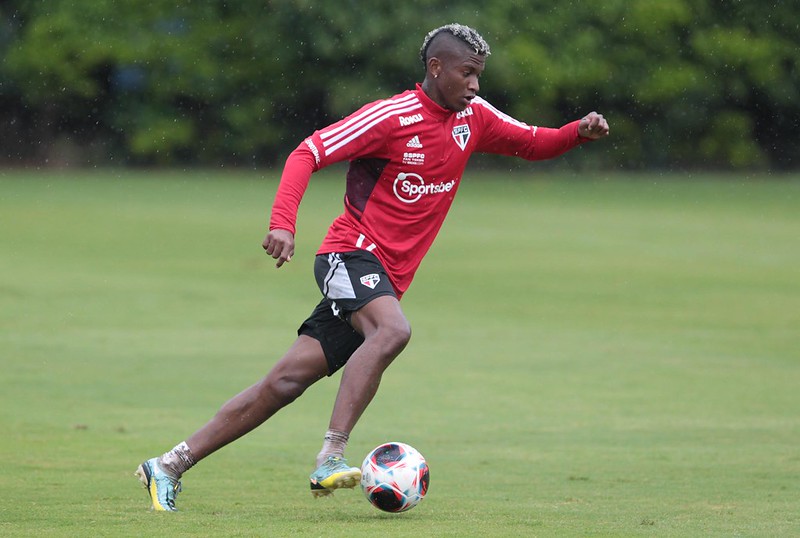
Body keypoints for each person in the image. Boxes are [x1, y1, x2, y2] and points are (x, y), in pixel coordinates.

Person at [135, 22, 609, 511]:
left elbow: (532, 142)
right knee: (392, 331)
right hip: (349, 254)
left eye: (479, 75)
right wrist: (283, 223)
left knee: (284, 383)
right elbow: (309, 152)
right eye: (468, 73)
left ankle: (167, 465)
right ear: (436, 67)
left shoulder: (474, 118)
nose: (475, 85)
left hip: (383, 280)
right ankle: (331, 456)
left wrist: (579, 132)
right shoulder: (392, 117)